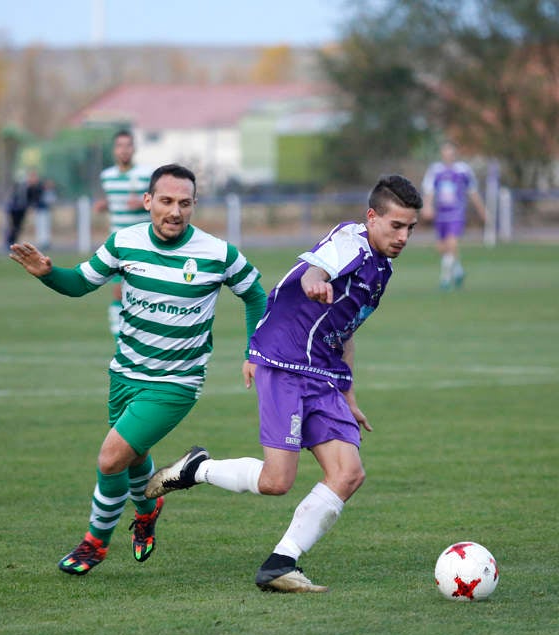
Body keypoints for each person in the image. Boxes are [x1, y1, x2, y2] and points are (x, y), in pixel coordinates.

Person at [146, 174, 422, 593]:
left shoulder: (381, 270)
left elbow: (345, 331)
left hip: (324, 373)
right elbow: (319, 265)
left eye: (410, 228)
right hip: (285, 361)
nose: (403, 236)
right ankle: (197, 468)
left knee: (348, 474)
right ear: (371, 217)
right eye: (395, 225)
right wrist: (314, 280)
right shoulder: (353, 241)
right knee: (277, 482)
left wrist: (349, 394)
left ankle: (279, 564)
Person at [9, 164, 267, 576]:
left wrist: (255, 350)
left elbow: (256, 296)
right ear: (148, 202)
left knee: (111, 458)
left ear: (194, 205)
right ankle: (148, 508)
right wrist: (48, 274)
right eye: (166, 201)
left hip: (175, 383)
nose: (175, 211)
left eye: (184, 203)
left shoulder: (218, 253)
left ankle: (94, 544)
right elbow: (80, 282)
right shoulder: (123, 243)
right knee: (133, 458)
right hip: (125, 373)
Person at [93, 128, 154, 337]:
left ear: (134, 148)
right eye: (120, 146)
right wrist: (104, 205)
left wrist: (142, 204)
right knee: (118, 291)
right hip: (118, 243)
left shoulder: (146, 175)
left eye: (128, 145)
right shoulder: (107, 177)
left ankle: (147, 333)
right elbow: (114, 203)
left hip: (144, 242)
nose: (124, 150)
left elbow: (158, 202)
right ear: (114, 150)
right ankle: (119, 336)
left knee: (144, 291)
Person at [421, 141, 487, 290]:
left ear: (455, 154)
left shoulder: (463, 170)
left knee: (452, 244)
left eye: (450, 152)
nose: (448, 155)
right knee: (443, 248)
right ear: (442, 154)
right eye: (445, 152)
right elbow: (429, 191)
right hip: (441, 215)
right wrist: (427, 207)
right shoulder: (435, 170)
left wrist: (482, 210)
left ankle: (444, 279)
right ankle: (458, 271)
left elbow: (473, 191)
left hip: (456, 214)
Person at [5, 169, 43, 247]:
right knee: (14, 226)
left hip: (22, 209)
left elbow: (34, 199)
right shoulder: (22, 186)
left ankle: (13, 243)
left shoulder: (34, 188)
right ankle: (9, 242)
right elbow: (17, 198)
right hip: (15, 209)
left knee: (18, 227)